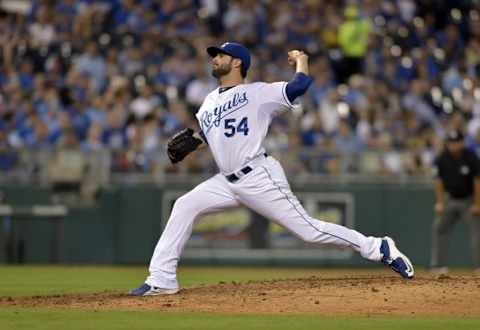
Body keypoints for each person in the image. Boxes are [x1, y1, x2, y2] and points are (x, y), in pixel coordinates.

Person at [130, 42, 414, 296]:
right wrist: (193, 142)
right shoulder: (208, 102)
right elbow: (209, 136)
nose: (214, 58)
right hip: (225, 182)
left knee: (309, 231)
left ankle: (378, 247)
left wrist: (301, 61)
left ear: (237, 62)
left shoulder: (258, 93)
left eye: (220, 55)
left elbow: (299, 86)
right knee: (184, 205)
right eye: (214, 55)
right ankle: (162, 278)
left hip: (258, 176)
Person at [431, 130, 480, 273]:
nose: (453, 145)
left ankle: (479, 267)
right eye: (451, 143)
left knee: (477, 232)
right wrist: (440, 202)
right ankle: (439, 266)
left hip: (468, 200)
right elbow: (438, 181)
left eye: (456, 142)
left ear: (462, 143)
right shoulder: (442, 158)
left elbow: (477, 182)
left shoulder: (470, 157)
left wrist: (477, 204)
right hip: (450, 199)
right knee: (439, 229)